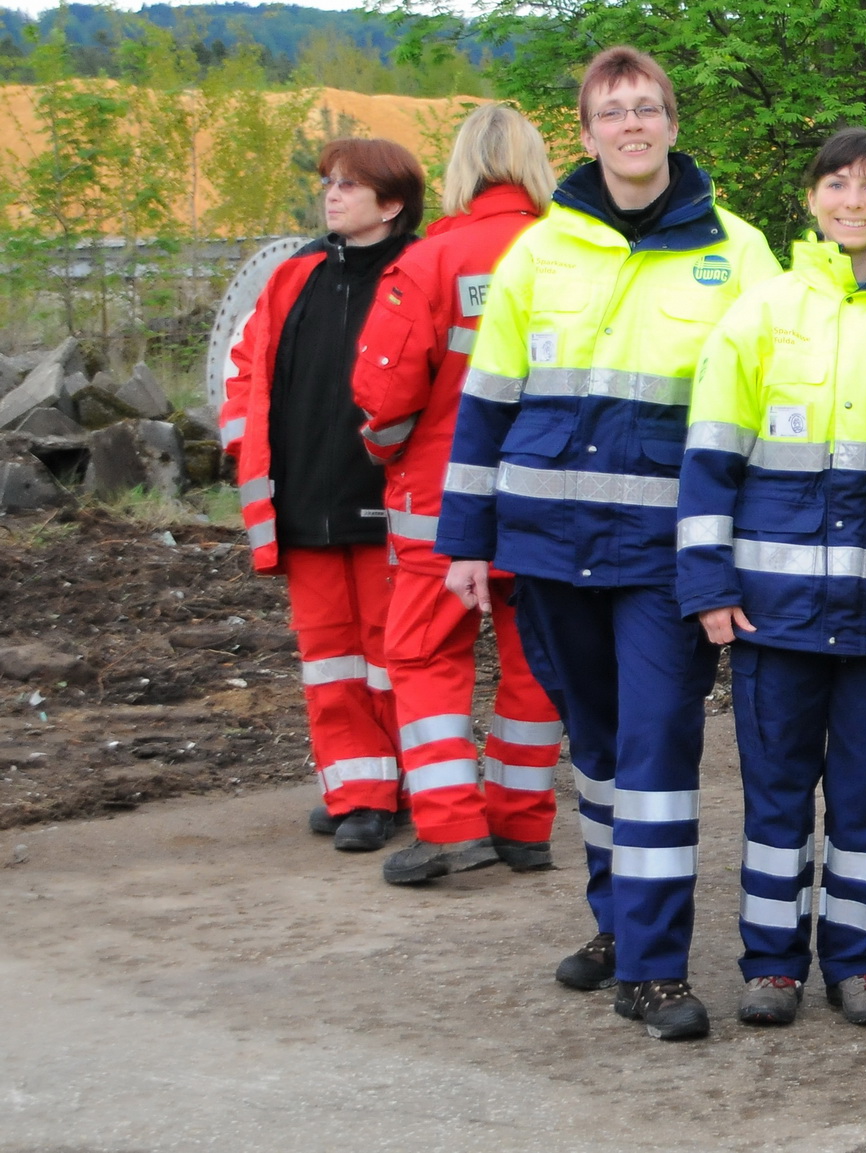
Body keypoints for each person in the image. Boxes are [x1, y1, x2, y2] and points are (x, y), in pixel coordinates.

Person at [436, 46, 779, 1041]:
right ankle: (618, 924)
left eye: (647, 108)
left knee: (657, 748)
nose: (632, 125)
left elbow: (766, 403)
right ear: (585, 135)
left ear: (673, 123)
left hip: (667, 554)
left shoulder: (738, 253)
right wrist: (466, 539)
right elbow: (486, 403)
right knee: (594, 749)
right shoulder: (539, 253)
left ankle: (654, 970)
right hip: (549, 543)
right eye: (612, 112)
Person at [676, 127, 866, 1028]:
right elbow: (710, 460)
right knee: (776, 796)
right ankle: (773, 965)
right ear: (810, 198)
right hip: (773, 614)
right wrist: (709, 585)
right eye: (837, 184)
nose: (852, 201)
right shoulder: (758, 314)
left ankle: (862, 963)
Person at [348, 105, 564, 885]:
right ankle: (523, 823)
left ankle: (450, 824)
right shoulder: (571, 254)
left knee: (422, 653)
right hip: (548, 495)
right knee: (535, 659)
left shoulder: (431, 261)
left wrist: (385, 449)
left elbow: (384, 395)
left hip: (442, 501)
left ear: (462, 167)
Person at [220, 138, 425, 853]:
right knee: (329, 656)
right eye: (329, 183)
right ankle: (355, 790)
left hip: (387, 502)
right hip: (303, 497)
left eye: (348, 185)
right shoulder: (294, 275)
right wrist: (244, 447)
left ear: (391, 204)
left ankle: (395, 787)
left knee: (389, 654)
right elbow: (244, 367)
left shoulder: (418, 272)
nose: (331, 195)